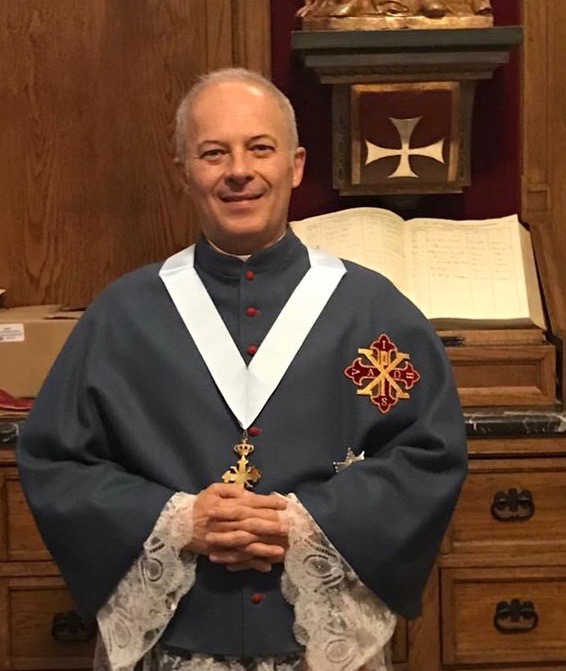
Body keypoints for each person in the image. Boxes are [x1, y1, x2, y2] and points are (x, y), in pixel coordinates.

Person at [17, 68, 467, 671]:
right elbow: (55, 463)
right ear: (184, 172)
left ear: (296, 165)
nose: (238, 170)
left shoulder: (372, 311)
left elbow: (430, 456)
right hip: (171, 645)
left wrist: (305, 524)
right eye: (213, 153)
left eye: (260, 148)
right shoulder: (122, 317)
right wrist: (178, 522)